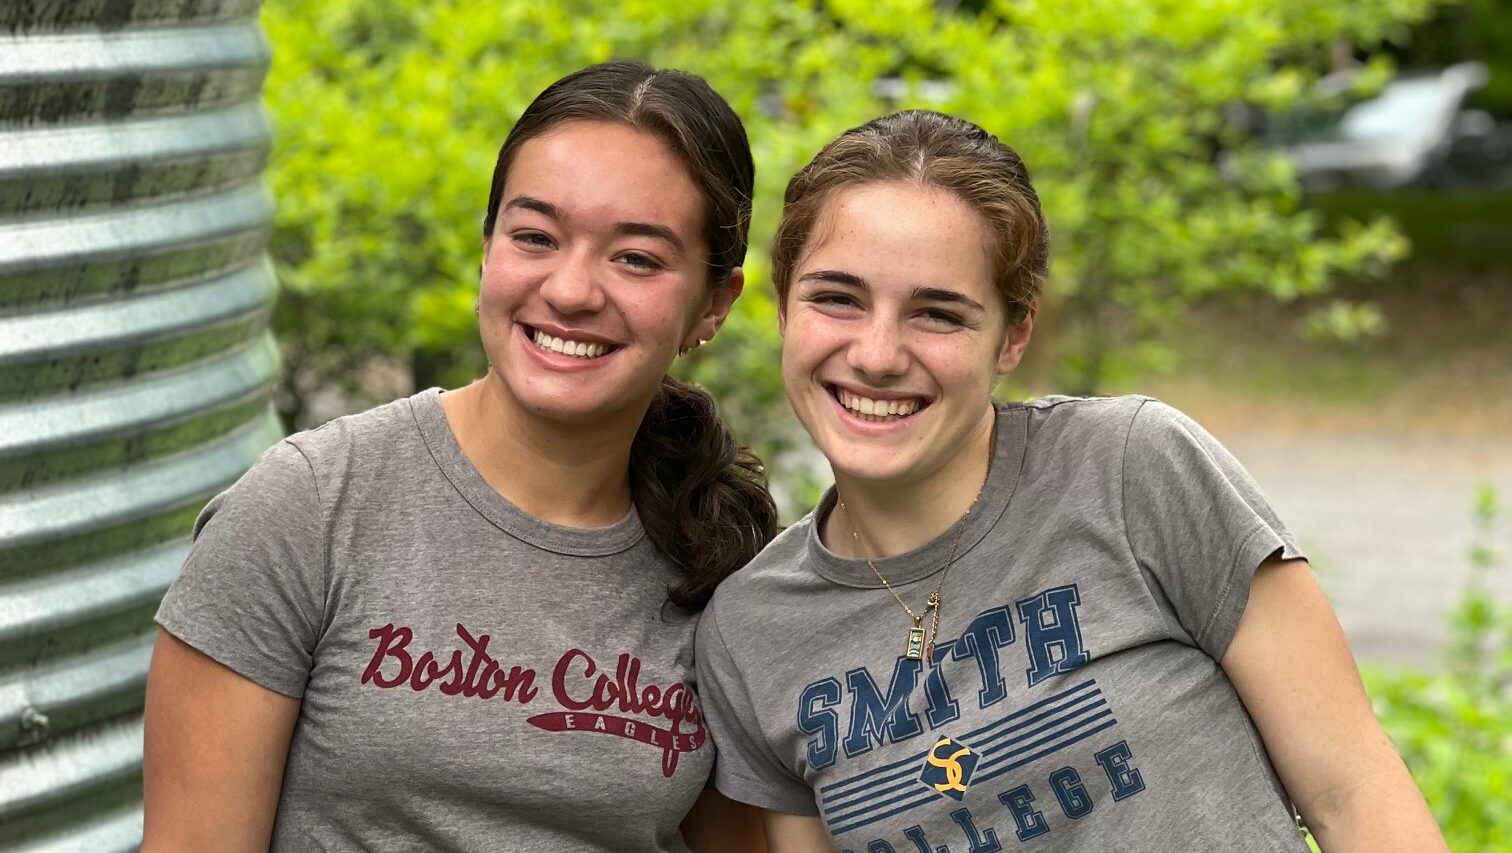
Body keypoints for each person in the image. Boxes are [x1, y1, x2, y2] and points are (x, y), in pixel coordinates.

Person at [695, 110, 1447, 852]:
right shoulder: (752, 633)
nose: (879, 353)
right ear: (784, 308)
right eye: (838, 298)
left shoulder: (1129, 469)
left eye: (939, 313)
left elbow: (1354, 791)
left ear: (1013, 334)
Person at [143, 60, 777, 852]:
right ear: (488, 250)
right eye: (535, 236)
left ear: (713, 305)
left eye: (637, 258)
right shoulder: (309, 507)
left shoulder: (718, 557)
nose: (572, 289)